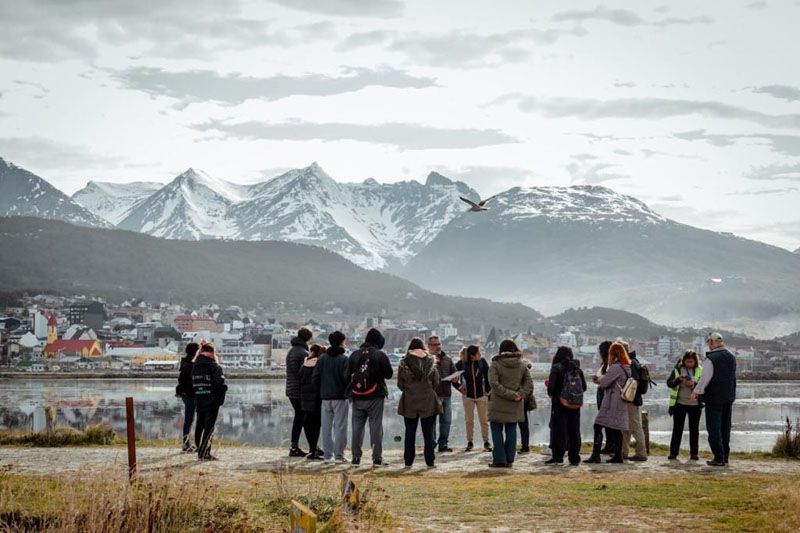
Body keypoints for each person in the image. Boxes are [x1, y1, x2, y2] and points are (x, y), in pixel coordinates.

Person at [348, 327, 393, 466]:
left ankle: (356, 457)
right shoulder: (380, 355)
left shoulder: (354, 354)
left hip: (357, 396)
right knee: (375, 427)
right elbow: (389, 374)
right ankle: (377, 458)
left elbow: (347, 376)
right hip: (375, 395)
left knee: (356, 428)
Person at [692, 332, 737, 466]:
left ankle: (718, 457)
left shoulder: (711, 358)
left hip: (714, 398)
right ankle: (725, 456)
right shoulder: (731, 357)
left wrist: (696, 391)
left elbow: (705, 378)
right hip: (728, 397)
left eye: (709, 343)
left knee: (714, 429)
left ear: (711, 343)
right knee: (725, 428)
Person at [487, 340, 533, 468]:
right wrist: (519, 394)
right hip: (515, 404)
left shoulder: (495, 364)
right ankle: (510, 459)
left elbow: (494, 384)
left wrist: (508, 394)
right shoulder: (522, 365)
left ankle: (499, 459)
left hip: (498, 404)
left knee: (496, 430)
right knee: (512, 430)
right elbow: (529, 384)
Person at [397, 338, 441, 468]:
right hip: (428, 401)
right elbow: (436, 382)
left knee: (410, 433)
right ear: (423, 347)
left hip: (409, 401)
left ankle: (408, 462)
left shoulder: (404, 362)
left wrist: (410, 390)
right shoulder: (430, 361)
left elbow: (400, 384)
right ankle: (430, 461)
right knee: (428, 433)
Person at [589, 342, 631, 463]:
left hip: (612, 401)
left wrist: (599, 380)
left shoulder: (615, 367)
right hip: (621, 402)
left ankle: (596, 455)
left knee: (598, 425)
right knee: (617, 429)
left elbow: (604, 383)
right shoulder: (626, 367)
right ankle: (618, 455)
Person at [546, 346, 586, 465]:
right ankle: (574, 457)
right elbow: (584, 387)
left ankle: (558, 456)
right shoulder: (577, 369)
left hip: (560, 404)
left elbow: (551, 388)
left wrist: (553, 392)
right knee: (574, 430)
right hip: (575, 404)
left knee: (558, 430)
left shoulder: (556, 368)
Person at [314, 330, 350, 463]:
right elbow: (347, 379)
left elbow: (315, 377)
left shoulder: (322, 358)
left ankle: (327, 456)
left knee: (326, 428)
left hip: (325, 398)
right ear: (341, 343)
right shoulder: (344, 359)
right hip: (340, 398)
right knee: (340, 427)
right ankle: (339, 456)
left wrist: (321, 391)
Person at [192, 343, 227, 461]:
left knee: (200, 424)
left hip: (199, 398)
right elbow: (219, 382)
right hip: (212, 400)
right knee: (209, 427)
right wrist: (224, 388)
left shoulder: (195, 366)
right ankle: (205, 452)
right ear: (212, 353)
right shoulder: (214, 366)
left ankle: (200, 450)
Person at [667, 350, 703, 461]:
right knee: (677, 429)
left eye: (691, 362)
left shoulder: (700, 370)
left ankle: (694, 454)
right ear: (684, 361)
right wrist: (678, 380)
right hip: (679, 404)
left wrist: (692, 384)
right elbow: (669, 383)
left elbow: (704, 387)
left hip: (695, 405)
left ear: (695, 361)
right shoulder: (678, 369)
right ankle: (673, 453)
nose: (689, 364)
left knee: (694, 430)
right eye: (687, 362)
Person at [455, 345, 492, 452]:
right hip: (468, 397)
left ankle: (486, 442)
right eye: (478, 353)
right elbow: (451, 375)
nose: (480, 354)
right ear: (472, 356)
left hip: (482, 396)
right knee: (469, 420)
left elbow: (489, 376)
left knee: (484, 420)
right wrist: (459, 387)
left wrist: (487, 391)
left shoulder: (482, 362)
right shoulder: (462, 363)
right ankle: (470, 442)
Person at [286, 327, 313, 457]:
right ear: (308, 338)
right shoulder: (303, 353)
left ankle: (305, 446)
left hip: (290, 389)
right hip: (300, 390)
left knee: (301, 418)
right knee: (301, 418)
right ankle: (295, 447)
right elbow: (304, 374)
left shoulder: (291, 351)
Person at [586, 341, 614, 462]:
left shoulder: (610, 364)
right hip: (602, 393)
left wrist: (598, 380)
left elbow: (607, 379)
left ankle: (603, 450)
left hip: (605, 394)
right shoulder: (605, 364)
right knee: (606, 423)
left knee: (602, 423)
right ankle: (609, 445)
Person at [622, 342, 648, 462]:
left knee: (635, 427)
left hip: (630, 399)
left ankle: (641, 453)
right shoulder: (634, 362)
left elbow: (632, 383)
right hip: (632, 399)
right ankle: (624, 451)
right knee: (626, 427)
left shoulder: (630, 363)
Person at [429, 336, 456, 453]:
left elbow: (454, 373)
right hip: (433, 396)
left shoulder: (448, 359)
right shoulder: (427, 360)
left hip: (447, 394)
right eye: (434, 345)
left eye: (439, 344)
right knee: (431, 422)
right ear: (429, 346)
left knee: (446, 421)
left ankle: (443, 444)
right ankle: (431, 444)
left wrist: (455, 377)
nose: (438, 346)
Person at [299, 344, 325, 461]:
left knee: (307, 423)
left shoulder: (305, 363)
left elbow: (300, 378)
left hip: (304, 397)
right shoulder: (319, 363)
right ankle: (314, 449)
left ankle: (312, 448)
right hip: (316, 398)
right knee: (316, 424)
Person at [176, 342, 199, 452]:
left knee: (189, 419)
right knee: (190, 419)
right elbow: (185, 379)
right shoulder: (191, 363)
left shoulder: (185, 362)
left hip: (186, 393)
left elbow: (180, 379)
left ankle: (187, 443)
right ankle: (186, 444)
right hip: (191, 393)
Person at [518, 360, 535, 454]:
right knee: (524, 425)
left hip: (519, 401)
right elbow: (530, 388)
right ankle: (525, 446)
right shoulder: (526, 374)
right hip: (523, 401)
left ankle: (524, 446)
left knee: (516, 425)